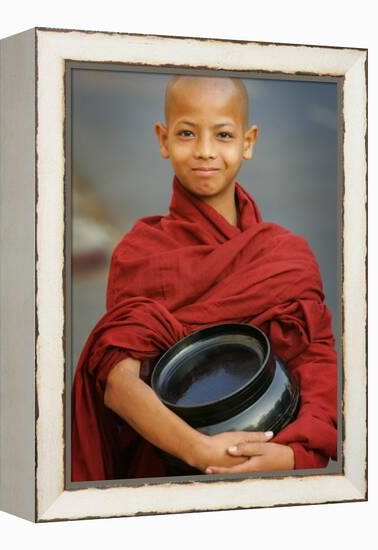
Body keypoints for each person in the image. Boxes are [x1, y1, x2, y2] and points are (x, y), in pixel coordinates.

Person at [71, 76, 337, 481]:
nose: (205, 151)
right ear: (163, 140)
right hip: (169, 468)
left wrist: (295, 455)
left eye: (224, 134)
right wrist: (199, 450)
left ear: (248, 142)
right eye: (186, 133)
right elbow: (117, 382)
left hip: (272, 460)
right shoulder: (141, 253)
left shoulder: (286, 256)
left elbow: (315, 360)